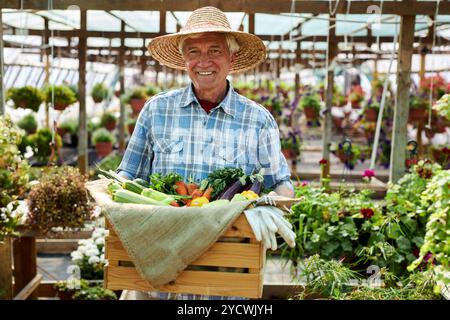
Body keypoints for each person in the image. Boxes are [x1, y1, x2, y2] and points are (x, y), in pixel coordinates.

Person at [116, 6, 295, 299]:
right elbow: (127, 175)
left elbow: (281, 184)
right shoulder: (156, 110)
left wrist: (265, 208)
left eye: (215, 50)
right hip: (157, 273)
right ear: (184, 59)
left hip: (226, 277)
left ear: (232, 58)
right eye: (194, 52)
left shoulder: (258, 119)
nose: (204, 61)